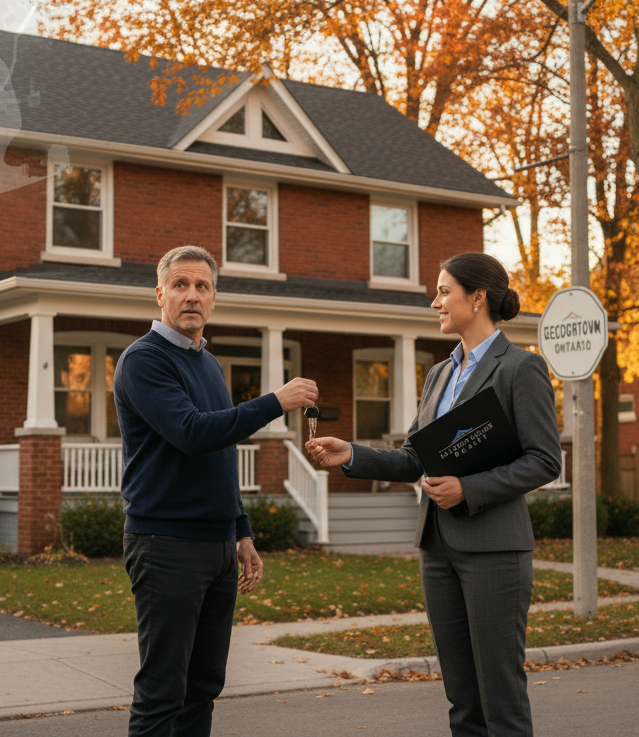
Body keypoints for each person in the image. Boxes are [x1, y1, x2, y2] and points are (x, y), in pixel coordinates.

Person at [307, 252, 561, 737]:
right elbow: (415, 458)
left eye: (444, 291)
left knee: (500, 698)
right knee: (461, 698)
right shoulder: (440, 374)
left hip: (495, 551)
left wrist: (469, 487)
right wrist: (351, 455)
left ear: (477, 297)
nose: (435, 301)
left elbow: (545, 460)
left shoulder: (521, 369)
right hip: (437, 549)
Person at [113, 245, 318, 737]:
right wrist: (275, 401)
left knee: (203, 687)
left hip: (216, 546)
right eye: (180, 285)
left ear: (213, 298)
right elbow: (193, 432)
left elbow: (219, 455)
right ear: (159, 294)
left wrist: (240, 529)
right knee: (163, 692)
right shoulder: (143, 361)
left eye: (202, 286)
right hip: (165, 546)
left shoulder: (207, 362)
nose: (191, 296)